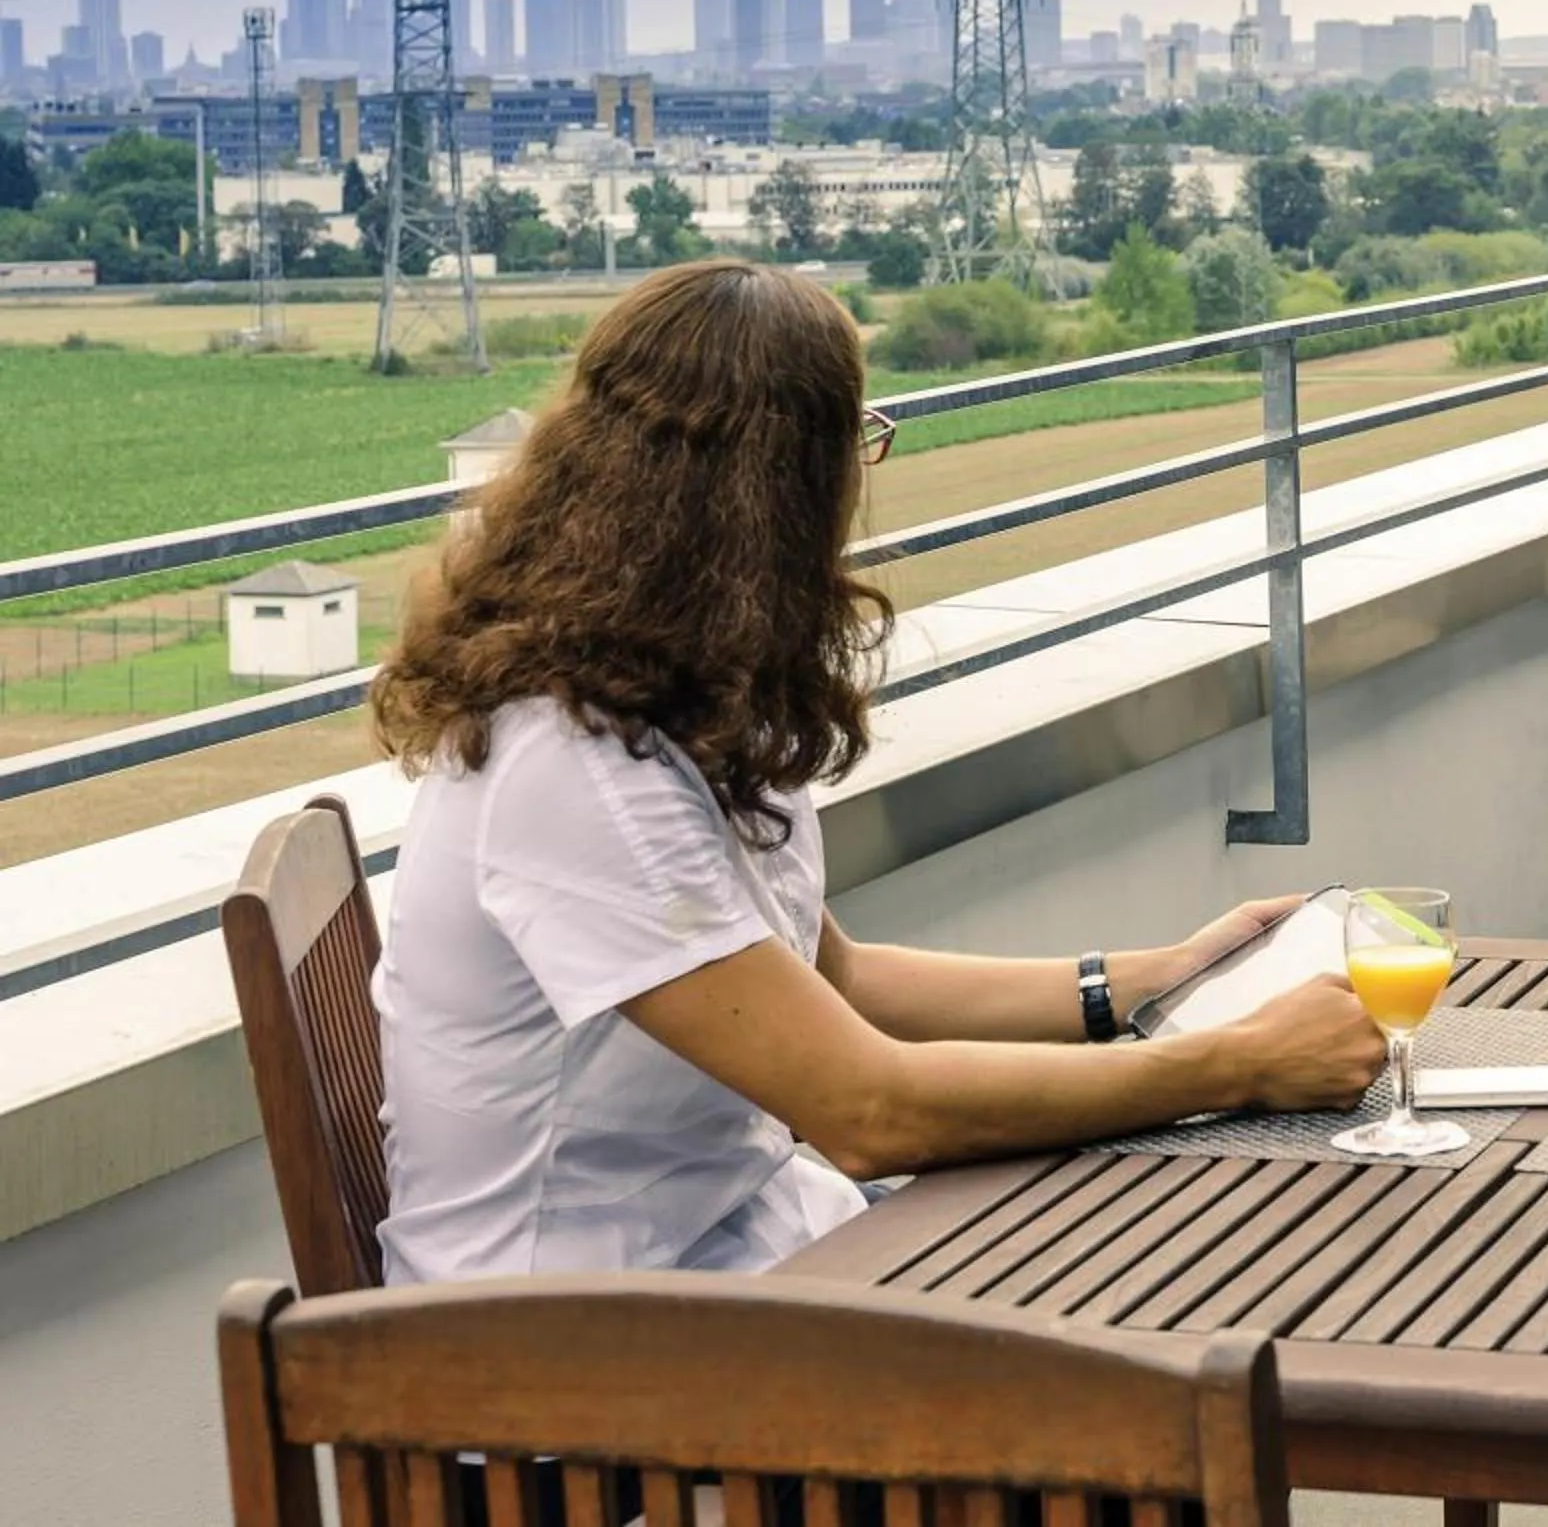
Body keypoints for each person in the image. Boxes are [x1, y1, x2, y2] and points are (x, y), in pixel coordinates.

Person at [368, 260, 1386, 1284]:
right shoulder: (576, 771)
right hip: (563, 1368)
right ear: (785, 491)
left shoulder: (660, 692)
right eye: (859, 441)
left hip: (743, 1261)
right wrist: (1236, 1064)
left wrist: (1155, 981)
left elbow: (834, 981)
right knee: (1189, 1307)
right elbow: (868, 1110)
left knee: (1156, 1265)